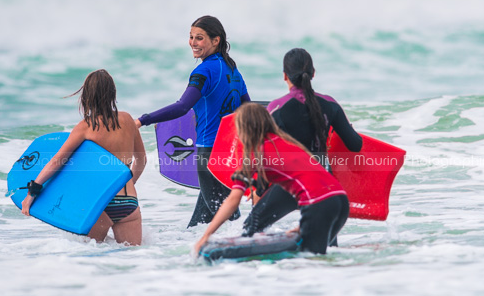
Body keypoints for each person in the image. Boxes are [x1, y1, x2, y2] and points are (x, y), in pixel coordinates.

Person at [135, 15, 250, 227]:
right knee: (199, 224)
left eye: (199, 38)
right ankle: (186, 256)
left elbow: (182, 106)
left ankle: (254, 251)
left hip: (209, 155)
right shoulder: (234, 71)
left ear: (216, 40)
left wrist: (143, 120)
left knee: (229, 221)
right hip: (229, 153)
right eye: (191, 37)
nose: (193, 43)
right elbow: (247, 110)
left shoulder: (204, 71)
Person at [194, 103, 349, 255]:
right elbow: (309, 178)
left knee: (310, 262)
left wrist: (206, 236)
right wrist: (307, 223)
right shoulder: (287, 142)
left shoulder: (255, 153)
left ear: (243, 128)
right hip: (340, 201)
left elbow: (233, 200)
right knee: (325, 258)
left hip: (318, 203)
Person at [242, 48, 363, 238]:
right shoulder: (330, 104)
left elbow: (265, 153)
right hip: (326, 186)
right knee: (325, 245)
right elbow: (355, 145)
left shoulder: (277, 108)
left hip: (290, 186)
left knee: (249, 230)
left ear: (285, 75)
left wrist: (258, 188)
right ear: (313, 73)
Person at [21, 69, 147, 245]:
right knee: (133, 259)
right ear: (112, 93)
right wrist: (128, 183)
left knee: (93, 262)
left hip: (100, 203)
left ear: (86, 96)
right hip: (129, 202)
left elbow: (58, 161)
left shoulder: (86, 127)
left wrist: (32, 192)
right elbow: (142, 160)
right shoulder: (127, 120)